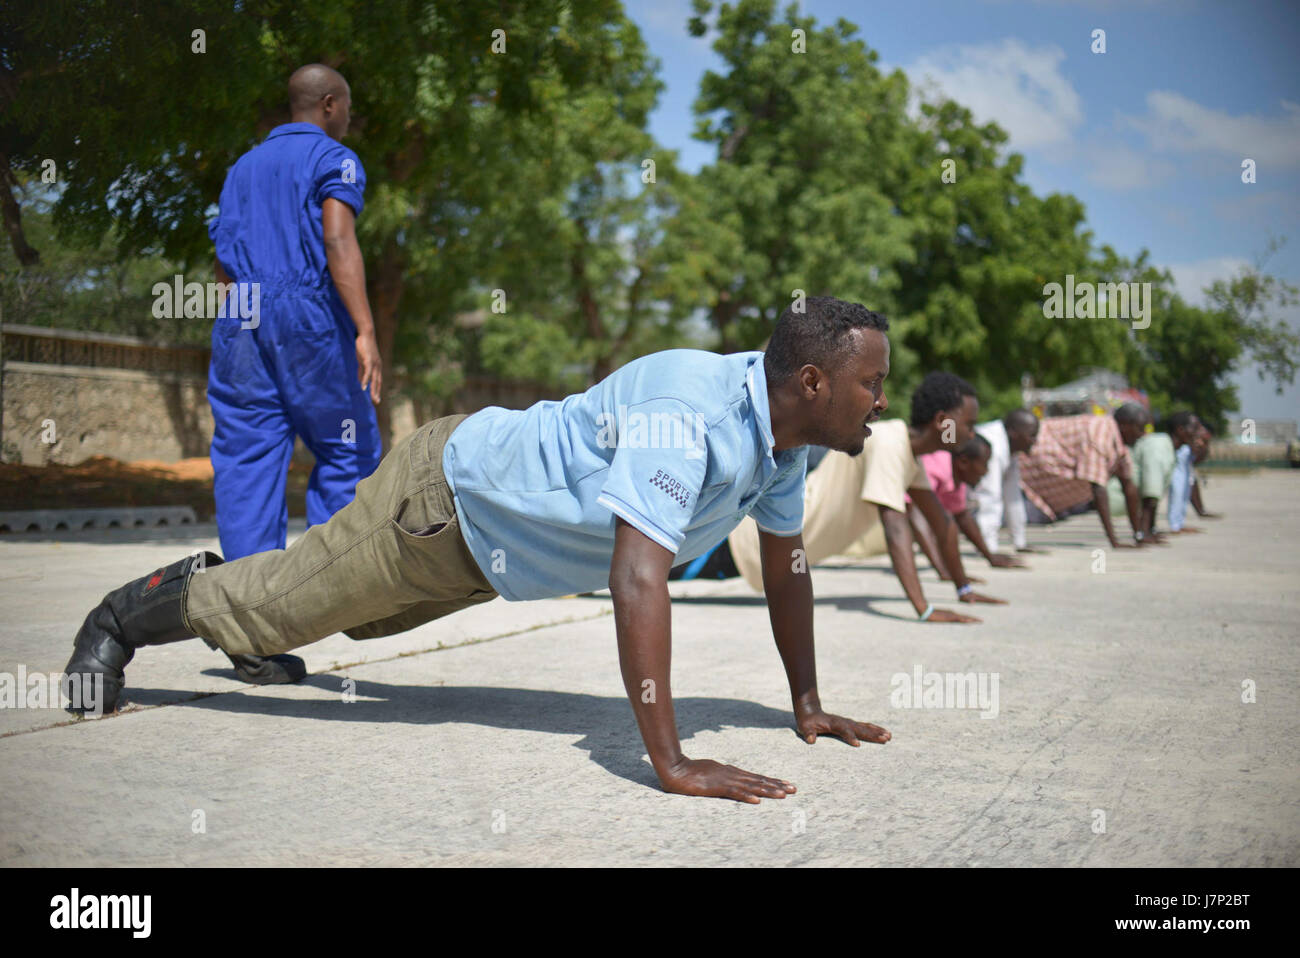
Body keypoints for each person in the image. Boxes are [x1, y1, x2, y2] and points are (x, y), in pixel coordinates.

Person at [64, 296, 894, 805]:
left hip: (487, 558)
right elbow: (637, 577)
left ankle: (246, 624)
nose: (880, 401)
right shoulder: (694, 412)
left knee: (335, 624)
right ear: (814, 382)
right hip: (442, 501)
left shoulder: (784, 445)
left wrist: (808, 702)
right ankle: (121, 620)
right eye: (871, 385)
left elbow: (786, 569)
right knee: (281, 601)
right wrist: (670, 762)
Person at [205, 64, 384, 686]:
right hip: (305, 314)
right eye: (349, 108)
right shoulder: (335, 157)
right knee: (348, 445)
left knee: (248, 459)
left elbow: (224, 263)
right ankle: (324, 589)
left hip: (240, 316)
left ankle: (251, 630)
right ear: (330, 104)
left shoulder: (240, 169)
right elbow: (338, 238)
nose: (349, 119)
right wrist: (363, 327)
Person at [727, 372, 1007, 623]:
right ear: (942, 422)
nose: (972, 433)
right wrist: (924, 609)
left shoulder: (911, 457)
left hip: (771, 547)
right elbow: (896, 529)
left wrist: (963, 588)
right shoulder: (888, 444)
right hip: (740, 540)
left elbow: (940, 523)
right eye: (969, 424)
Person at [1017, 404, 1149, 548]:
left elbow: (1129, 487)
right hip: (1024, 481)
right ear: (1125, 425)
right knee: (993, 520)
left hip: (1042, 498)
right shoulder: (1099, 434)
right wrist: (1114, 542)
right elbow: (1098, 489)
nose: (1142, 434)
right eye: (1140, 428)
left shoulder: (1119, 444)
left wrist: (1139, 535)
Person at [907, 435, 1028, 580]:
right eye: (984, 464)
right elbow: (916, 514)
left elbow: (962, 516)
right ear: (963, 462)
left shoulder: (955, 476)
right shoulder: (935, 466)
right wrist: (943, 570)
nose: (986, 471)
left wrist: (990, 557)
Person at [1106, 410, 1198, 538]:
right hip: (1114, 498)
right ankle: (1143, 532)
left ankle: (1147, 530)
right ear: (1181, 430)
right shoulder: (1159, 447)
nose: (1198, 434)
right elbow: (1150, 494)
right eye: (1194, 429)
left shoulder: (1166, 447)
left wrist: (1151, 530)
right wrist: (1144, 533)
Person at [968, 409, 1040, 555]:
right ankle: (986, 544)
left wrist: (1020, 542)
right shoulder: (992, 445)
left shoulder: (1010, 446)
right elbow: (989, 497)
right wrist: (989, 549)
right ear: (1014, 433)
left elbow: (1013, 497)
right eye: (1032, 435)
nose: (1035, 441)